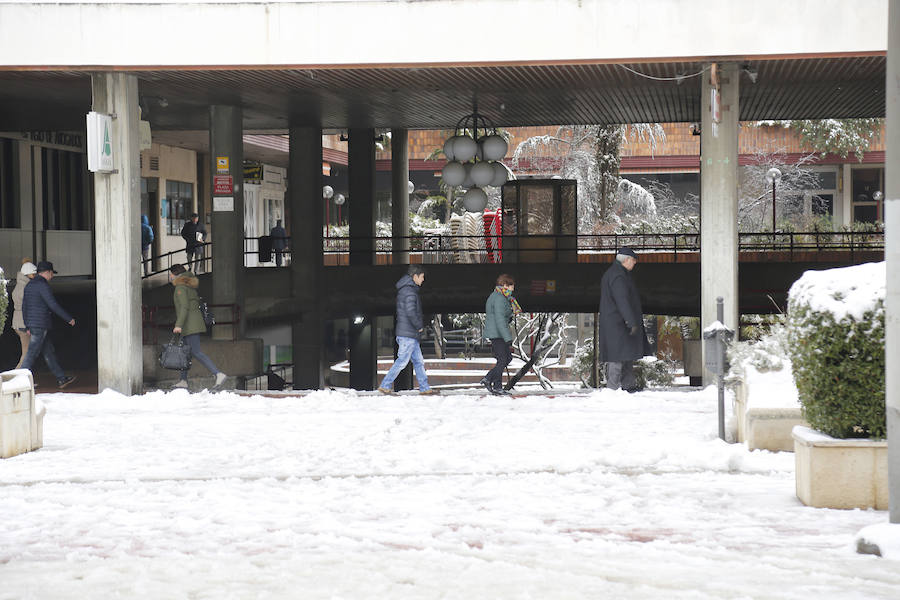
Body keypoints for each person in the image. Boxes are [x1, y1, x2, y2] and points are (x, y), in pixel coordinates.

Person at [377, 264, 436, 396]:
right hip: (408, 334)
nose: (423, 280)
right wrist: (419, 325)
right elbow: (410, 311)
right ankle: (385, 384)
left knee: (418, 361)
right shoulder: (409, 291)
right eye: (422, 277)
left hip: (409, 334)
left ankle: (424, 387)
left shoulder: (408, 290)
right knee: (403, 361)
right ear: (415, 276)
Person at [168, 264, 227, 390]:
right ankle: (183, 380)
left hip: (190, 325)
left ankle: (218, 374)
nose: (170, 276)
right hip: (190, 323)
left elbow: (184, 307)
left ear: (176, 274)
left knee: (196, 352)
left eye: (171, 274)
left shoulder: (180, 287)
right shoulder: (188, 284)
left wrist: (178, 325)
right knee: (184, 353)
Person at [20, 261, 77, 389]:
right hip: (40, 324)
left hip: (33, 324)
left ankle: (61, 379)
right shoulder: (43, 285)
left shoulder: (29, 285)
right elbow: (53, 305)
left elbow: (25, 307)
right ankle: (20, 382)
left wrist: (27, 325)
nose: (52, 276)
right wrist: (68, 318)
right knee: (31, 353)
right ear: (47, 272)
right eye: (52, 273)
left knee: (48, 352)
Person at [598, 247, 647, 392]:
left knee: (626, 355)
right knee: (618, 356)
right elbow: (622, 300)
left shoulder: (615, 273)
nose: (634, 264)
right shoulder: (618, 276)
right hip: (618, 323)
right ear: (626, 260)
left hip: (617, 322)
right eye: (633, 260)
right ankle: (613, 389)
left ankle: (628, 386)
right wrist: (630, 321)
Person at [481, 273, 521, 395]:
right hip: (498, 333)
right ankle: (489, 380)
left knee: (505, 358)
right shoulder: (499, 298)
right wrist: (508, 338)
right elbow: (499, 320)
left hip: (497, 332)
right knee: (504, 359)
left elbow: (502, 316)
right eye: (511, 286)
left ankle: (495, 384)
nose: (513, 289)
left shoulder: (499, 297)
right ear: (504, 285)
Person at [11, 260, 37, 369]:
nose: (35, 276)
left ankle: (23, 377)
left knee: (27, 353)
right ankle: (18, 376)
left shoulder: (20, 286)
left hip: (18, 322)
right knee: (26, 354)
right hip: (23, 323)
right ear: (28, 274)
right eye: (33, 273)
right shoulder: (25, 288)